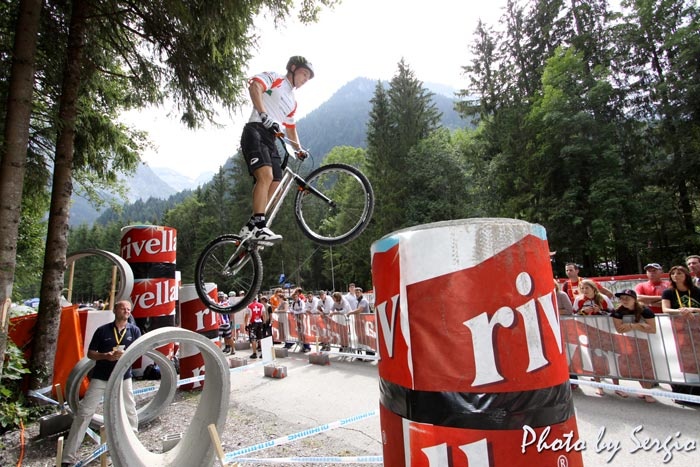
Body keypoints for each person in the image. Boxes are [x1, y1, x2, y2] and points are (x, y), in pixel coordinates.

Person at [237, 56, 314, 244]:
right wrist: (263, 115)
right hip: (255, 130)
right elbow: (255, 86)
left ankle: (251, 226)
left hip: (271, 140)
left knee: (276, 185)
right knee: (265, 176)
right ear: (293, 68)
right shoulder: (275, 78)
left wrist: (299, 149)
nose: (305, 79)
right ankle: (260, 227)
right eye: (304, 74)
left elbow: (290, 128)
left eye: (308, 77)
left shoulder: (292, 102)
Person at [61, 300, 141, 466]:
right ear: (115, 310)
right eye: (123, 308)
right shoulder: (102, 330)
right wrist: (106, 356)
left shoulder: (134, 330)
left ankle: (133, 444)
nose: (126, 311)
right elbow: (90, 354)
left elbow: (139, 351)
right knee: (85, 412)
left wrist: (126, 356)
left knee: (129, 409)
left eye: (128, 309)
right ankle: (68, 457)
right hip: (101, 377)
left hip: (123, 376)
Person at [660, 265, 700, 406]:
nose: (676, 276)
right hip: (678, 332)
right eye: (673, 273)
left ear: (686, 275)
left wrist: (692, 309)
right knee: (682, 361)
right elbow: (665, 309)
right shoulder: (668, 292)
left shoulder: (696, 291)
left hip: (696, 331)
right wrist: (681, 311)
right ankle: (681, 393)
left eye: (679, 273)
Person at [611, 289, 657, 402]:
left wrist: (631, 326)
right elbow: (619, 329)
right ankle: (645, 390)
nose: (624, 300)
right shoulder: (617, 311)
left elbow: (652, 329)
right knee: (635, 366)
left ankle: (648, 392)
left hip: (645, 342)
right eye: (622, 298)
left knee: (645, 366)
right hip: (627, 342)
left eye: (627, 298)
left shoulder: (645, 310)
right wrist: (639, 325)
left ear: (634, 299)